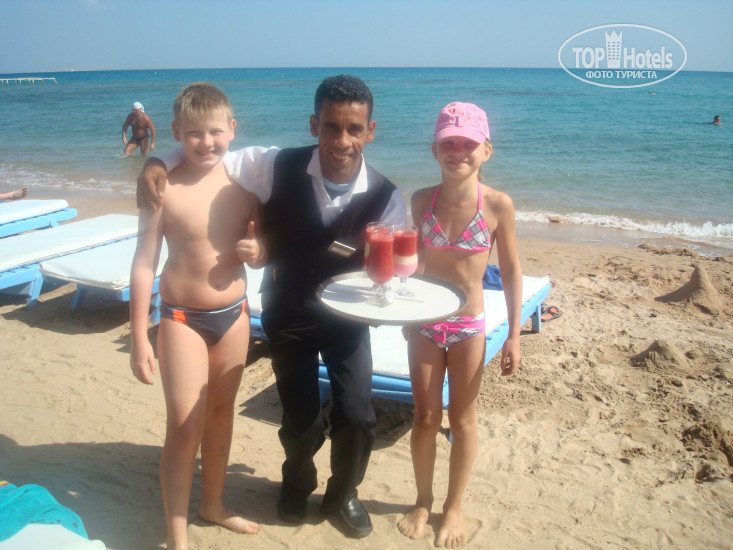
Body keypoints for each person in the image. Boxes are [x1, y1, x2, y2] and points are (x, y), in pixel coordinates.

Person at [136, 74, 406, 539]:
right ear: (313, 125)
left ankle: (344, 494)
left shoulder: (387, 197)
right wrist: (156, 161)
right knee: (299, 419)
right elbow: (208, 152)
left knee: (357, 415)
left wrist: (393, 292)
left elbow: (393, 271)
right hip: (290, 313)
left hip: (347, 318)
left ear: (371, 131)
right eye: (330, 126)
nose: (342, 140)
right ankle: (297, 483)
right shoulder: (273, 164)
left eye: (354, 128)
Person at [129, 82, 264, 550]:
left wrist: (259, 250)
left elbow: (263, 247)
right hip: (181, 319)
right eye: (193, 134)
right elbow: (144, 263)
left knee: (222, 416)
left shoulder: (246, 187)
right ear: (175, 133)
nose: (206, 142)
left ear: (233, 129)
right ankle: (177, 535)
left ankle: (213, 504)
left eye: (215, 132)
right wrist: (139, 337)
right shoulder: (162, 187)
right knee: (185, 427)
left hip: (234, 315)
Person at [397, 102, 523, 548]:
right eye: (448, 143)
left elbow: (511, 271)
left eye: (467, 143)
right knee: (425, 416)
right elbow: (412, 263)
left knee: (462, 419)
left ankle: (454, 506)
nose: (457, 152)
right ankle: (423, 500)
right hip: (426, 325)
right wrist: (403, 311)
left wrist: (513, 336)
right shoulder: (421, 201)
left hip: (469, 326)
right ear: (435, 150)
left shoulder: (498, 205)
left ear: (486, 150)